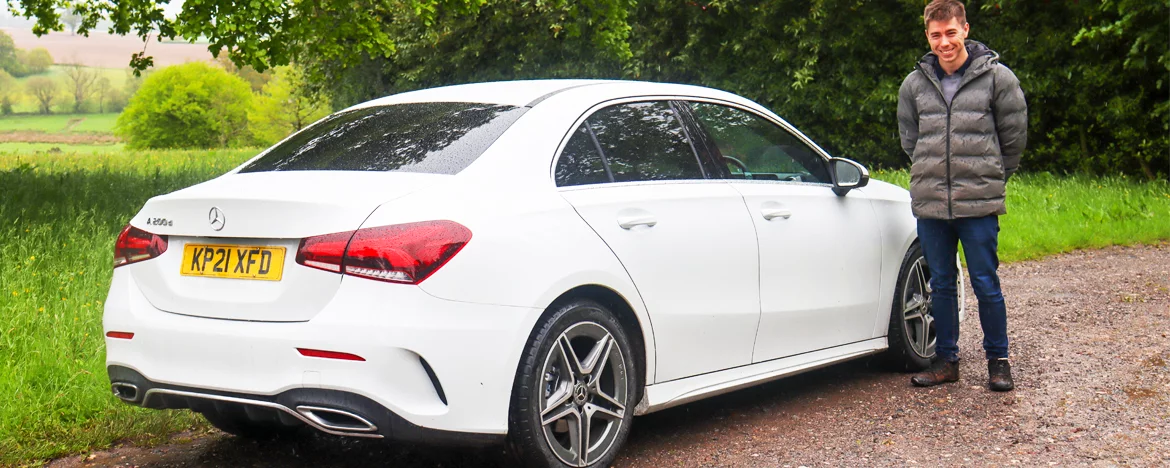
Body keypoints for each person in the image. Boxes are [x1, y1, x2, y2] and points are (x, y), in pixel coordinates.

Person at [896, 0, 1027, 392]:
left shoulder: (998, 78)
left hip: (979, 202)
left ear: (965, 30)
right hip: (932, 203)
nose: (944, 42)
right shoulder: (913, 85)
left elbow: (1014, 137)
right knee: (940, 284)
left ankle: (998, 362)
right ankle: (946, 361)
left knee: (986, 282)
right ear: (927, 36)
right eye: (936, 35)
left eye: (950, 33)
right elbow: (910, 141)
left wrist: (991, 176)